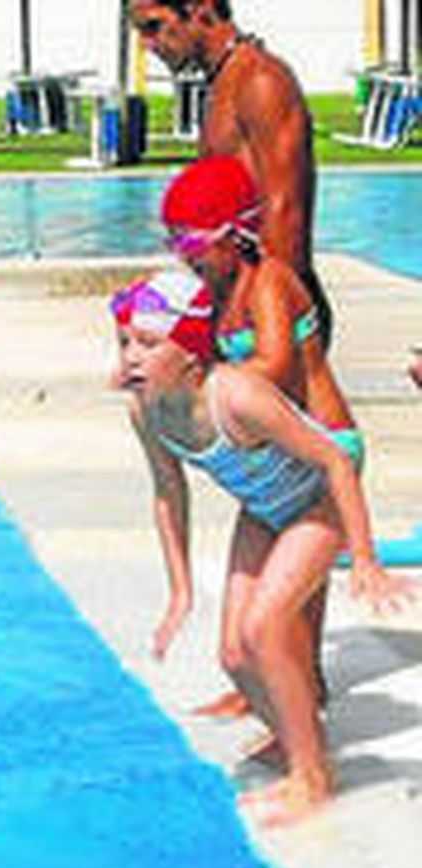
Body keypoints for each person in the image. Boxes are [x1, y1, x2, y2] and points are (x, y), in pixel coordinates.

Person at [112, 282, 412, 827]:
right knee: (234, 655)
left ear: (192, 355)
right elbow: (168, 493)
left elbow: (335, 461)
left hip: (318, 504)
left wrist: (366, 558)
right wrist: (180, 591)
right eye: (124, 342)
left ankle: (312, 778)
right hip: (263, 510)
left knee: (263, 629)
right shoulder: (145, 410)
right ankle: (298, 740)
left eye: (148, 344)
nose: (131, 357)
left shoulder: (237, 397)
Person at [161, 155, 361, 723]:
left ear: (234, 234)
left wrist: (212, 383)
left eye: (192, 241)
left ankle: (304, 691)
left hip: (326, 446)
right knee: (278, 588)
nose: (183, 255)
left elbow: (274, 364)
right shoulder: (219, 289)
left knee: (294, 592)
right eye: (173, 241)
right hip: (282, 453)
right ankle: (269, 685)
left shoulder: (270, 281)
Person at [128, 0, 335, 351]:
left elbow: (286, 217)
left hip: (272, 318)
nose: (147, 45)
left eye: (153, 27)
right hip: (243, 312)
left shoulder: (261, 81)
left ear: (200, 8)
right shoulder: (224, 80)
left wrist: (253, 321)